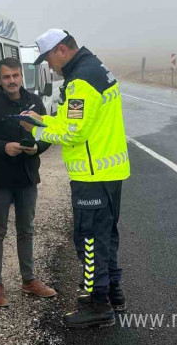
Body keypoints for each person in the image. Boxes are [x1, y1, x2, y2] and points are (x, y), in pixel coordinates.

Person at [19, 29, 131, 328]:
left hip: (92, 175)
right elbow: (74, 121)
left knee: (90, 240)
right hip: (109, 171)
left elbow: (74, 132)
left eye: (48, 59)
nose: (50, 67)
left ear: (62, 50)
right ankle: (113, 294)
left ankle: (98, 305)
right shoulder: (96, 70)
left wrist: (36, 131)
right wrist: (43, 120)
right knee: (106, 236)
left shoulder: (81, 81)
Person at [0, 57, 57, 307]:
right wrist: (3, 147)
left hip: (27, 176)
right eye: (6, 77)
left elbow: (47, 135)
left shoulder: (35, 102)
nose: (12, 81)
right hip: (0, 178)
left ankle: (28, 280)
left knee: (26, 229)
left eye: (16, 76)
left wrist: (37, 149)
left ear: (22, 76)